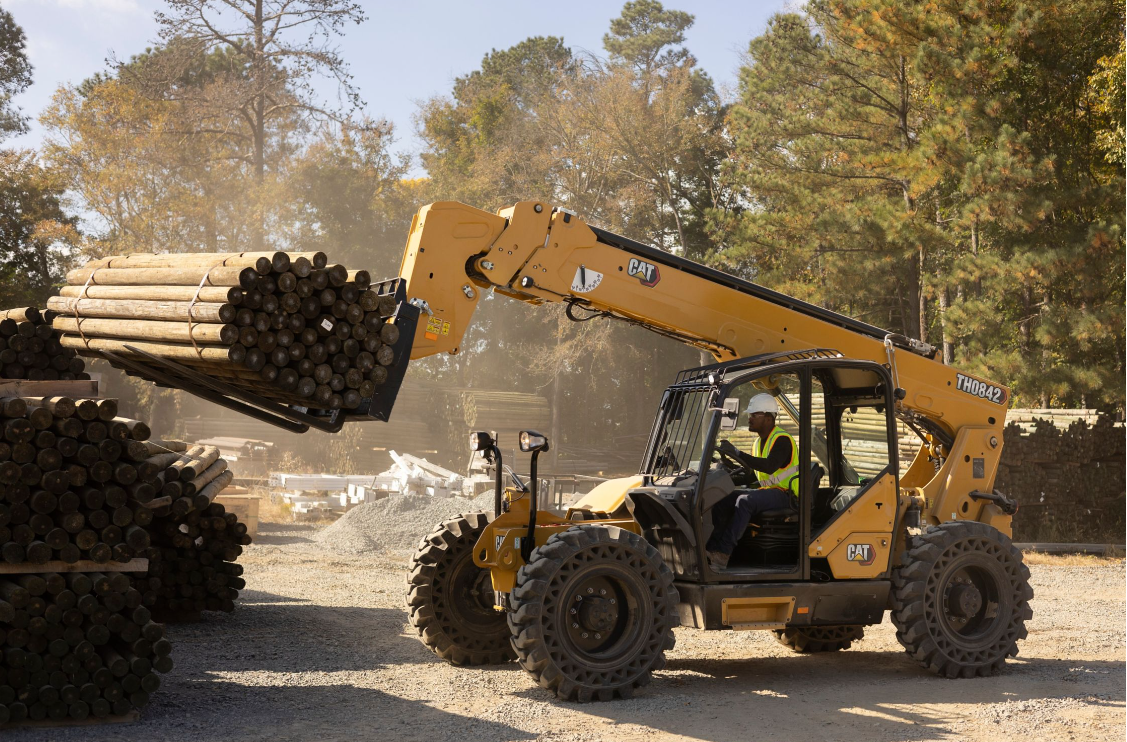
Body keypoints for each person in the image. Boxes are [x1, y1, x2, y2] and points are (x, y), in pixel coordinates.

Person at [705, 393, 799, 569]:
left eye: (755, 414)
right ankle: (711, 549)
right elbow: (753, 475)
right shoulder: (758, 443)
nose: (750, 418)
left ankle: (723, 554)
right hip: (768, 492)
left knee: (745, 501)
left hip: (786, 495)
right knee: (723, 497)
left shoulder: (782, 440)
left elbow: (769, 466)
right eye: (750, 414)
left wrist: (738, 453)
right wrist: (728, 474)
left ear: (769, 418)